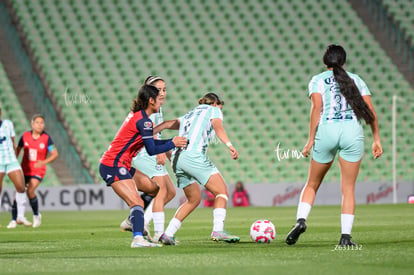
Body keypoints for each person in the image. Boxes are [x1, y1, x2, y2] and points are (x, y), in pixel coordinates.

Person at [285, 44, 383, 247]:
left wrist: (311, 139)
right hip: (351, 131)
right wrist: (376, 139)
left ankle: (301, 221)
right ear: (343, 61)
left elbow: (316, 109)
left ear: (325, 61)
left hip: (327, 130)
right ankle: (345, 237)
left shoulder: (317, 80)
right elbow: (370, 111)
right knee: (348, 188)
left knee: (312, 183)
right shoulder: (356, 80)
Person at [99, 84, 187, 248]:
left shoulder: (139, 116)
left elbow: (151, 142)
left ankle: (132, 220)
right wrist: (172, 143)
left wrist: (171, 142)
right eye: (158, 98)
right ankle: (137, 239)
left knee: (154, 189)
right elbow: (152, 149)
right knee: (137, 202)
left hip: (121, 163)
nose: (161, 100)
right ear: (151, 101)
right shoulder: (144, 122)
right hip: (113, 164)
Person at [153, 92, 240, 245]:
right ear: (215, 103)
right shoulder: (213, 110)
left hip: (177, 159)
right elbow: (218, 127)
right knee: (222, 192)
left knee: (193, 199)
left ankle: (168, 234)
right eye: (220, 107)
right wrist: (230, 145)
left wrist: (147, 134)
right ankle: (218, 230)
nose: (220, 111)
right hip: (193, 157)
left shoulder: (190, 114)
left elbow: (167, 124)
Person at [120, 76, 176, 243]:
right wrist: (158, 152)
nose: (163, 93)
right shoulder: (145, 110)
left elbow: (156, 132)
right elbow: (147, 133)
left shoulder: (158, 109)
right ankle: (159, 234)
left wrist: (167, 153)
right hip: (144, 152)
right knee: (161, 190)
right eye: (159, 90)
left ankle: (135, 220)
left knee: (170, 192)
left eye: (164, 89)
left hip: (151, 150)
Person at [6, 114, 58, 228]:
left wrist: (43, 162)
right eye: (37, 123)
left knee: (30, 190)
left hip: (38, 170)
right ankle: (14, 220)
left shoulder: (46, 138)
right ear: (32, 124)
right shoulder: (25, 136)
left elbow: (54, 154)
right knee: (18, 193)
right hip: (24, 170)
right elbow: (17, 151)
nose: (40, 125)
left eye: (42, 123)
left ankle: (36, 215)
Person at [0, 106, 31, 227]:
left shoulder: (8, 124)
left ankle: (21, 216)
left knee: (21, 186)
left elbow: (13, 142)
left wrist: (15, 157)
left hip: (11, 160)